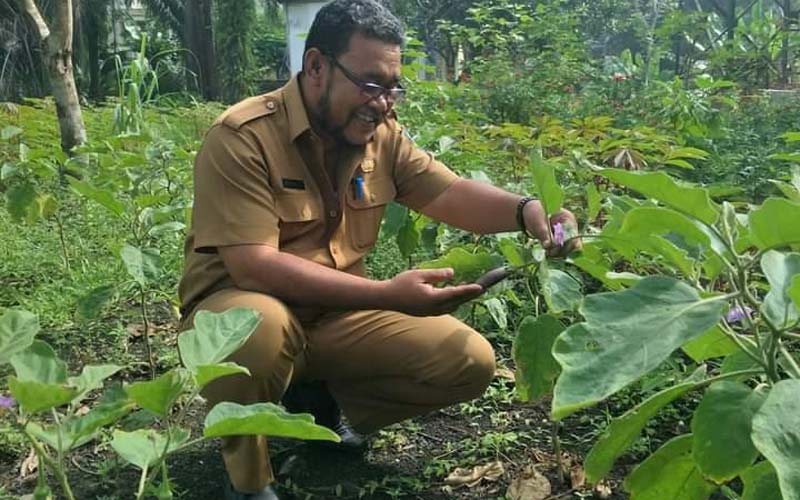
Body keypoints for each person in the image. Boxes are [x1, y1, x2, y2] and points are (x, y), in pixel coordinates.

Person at [177, 1, 580, 498]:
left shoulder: (378, 136)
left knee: (469, 360)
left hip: (333, 315)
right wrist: (387, 294)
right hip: (238, 308)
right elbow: (253, 265)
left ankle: (323, 405)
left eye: (393, 88)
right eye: (370, 85)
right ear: (318, 67)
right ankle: (249, 479)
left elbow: (448, 192)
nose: (383, 103)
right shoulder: (243, 137)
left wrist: (526, 211)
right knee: (259, 330)